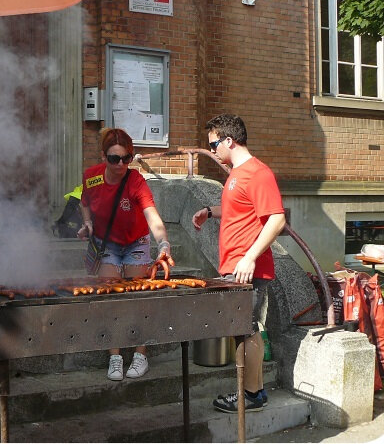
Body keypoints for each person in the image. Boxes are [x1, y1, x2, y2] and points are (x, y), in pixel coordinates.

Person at [192, 114, 286, 413]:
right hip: (235, 265)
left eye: (214, 144)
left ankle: (252, 394)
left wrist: (249, 257)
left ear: (229, 141)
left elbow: (277, 219)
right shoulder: (237, 173)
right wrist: (210, 211)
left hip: (247, 267)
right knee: (243, 330)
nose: (213, 150)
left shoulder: (257, 173)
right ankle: (252, 393)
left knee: (246, 329)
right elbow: (240, 209)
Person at [77, 128, 175, 381]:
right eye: (114, 159)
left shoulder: (136, 181)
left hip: (135, 242)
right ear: (103, 157)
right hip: (107, 243)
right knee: (112, 299)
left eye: (126, 158)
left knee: (138, 298)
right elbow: (84, 202)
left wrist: (163, 243)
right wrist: (88, 223)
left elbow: (152, 215)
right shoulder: (92, 177)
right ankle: (115, 357)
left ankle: (140, 355)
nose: (120, 164)